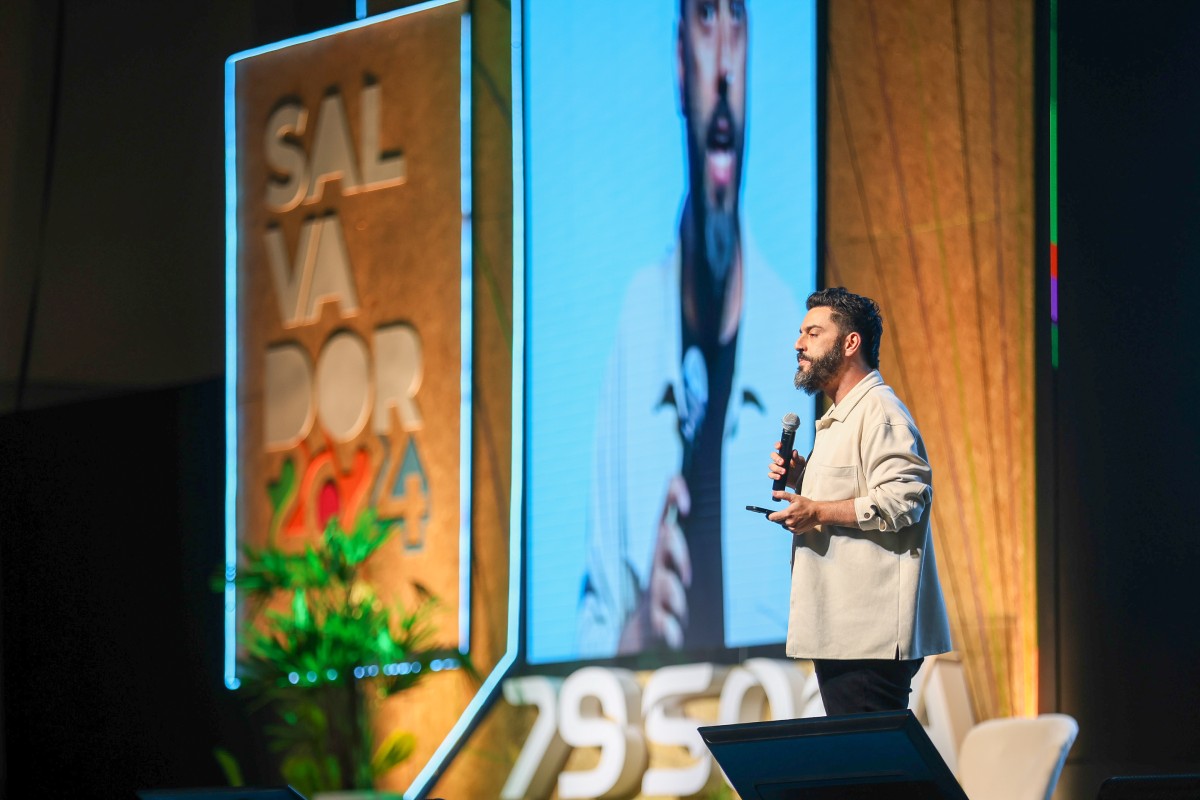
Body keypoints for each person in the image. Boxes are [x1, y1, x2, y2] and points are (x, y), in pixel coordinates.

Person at [577, 0, 803, 657]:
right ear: (681, 63)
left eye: (740, 21)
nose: (726, 60)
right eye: (708, 18)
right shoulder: (637, 320)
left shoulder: (796, 341)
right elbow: (593, 626)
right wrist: (640, 630)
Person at [767, 287, 952, 715]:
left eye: (813, 332)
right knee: (868, 772)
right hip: (846, 633)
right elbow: (865, 488)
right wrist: (804, 477)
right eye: (800, 333)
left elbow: (906, 498)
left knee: (873, 775)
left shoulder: (880, 411)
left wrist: (817, 510)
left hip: (868, 638)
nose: (799, 344)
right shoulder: (842, 417)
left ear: (851, 343)